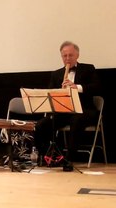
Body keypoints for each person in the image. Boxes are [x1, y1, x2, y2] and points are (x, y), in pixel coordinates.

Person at [34, 41, 101, 171]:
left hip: (84, 110)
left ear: (77, 55)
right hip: (64, 111)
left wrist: (77, 87)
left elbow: (98, 88)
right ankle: (46, 156)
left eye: (70, 55)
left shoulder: (88, 69)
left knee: (76, 120)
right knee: (42, 124)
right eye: (64, 56)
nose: (67, 58)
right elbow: (50, 94)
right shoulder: (56, 74)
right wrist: (60, 91)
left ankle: (69, 159)